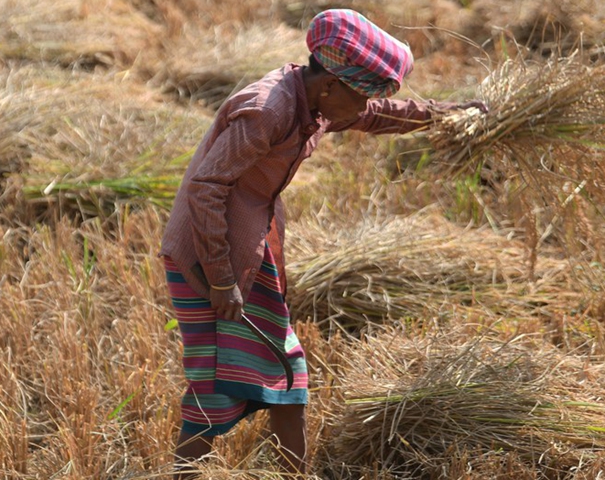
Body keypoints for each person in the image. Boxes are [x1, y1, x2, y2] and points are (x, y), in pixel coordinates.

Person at [159, 8, 485, 479]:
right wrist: (220, 279)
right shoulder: (267, 110)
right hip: (207, 260)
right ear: (331, 84)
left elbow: (378, 115)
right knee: (217, 388)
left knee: (286, 378)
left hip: (247, 248)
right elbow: (206, 189)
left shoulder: (313, 101)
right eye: (361, 97)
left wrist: (451, 116)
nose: (364, 108)